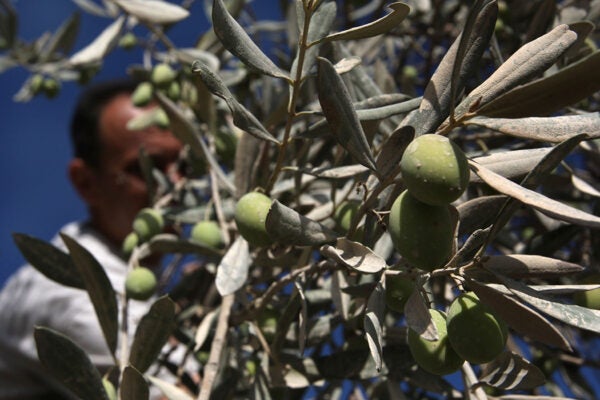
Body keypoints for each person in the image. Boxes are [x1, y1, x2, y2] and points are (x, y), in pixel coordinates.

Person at [0, 78, 184, 399]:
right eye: (147, 167)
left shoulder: (118, 273)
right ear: (86, 183)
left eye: (184, 165)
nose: (176, 185)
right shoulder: (72, 300)